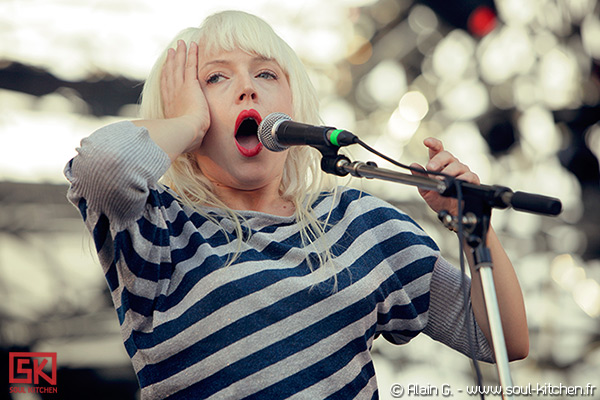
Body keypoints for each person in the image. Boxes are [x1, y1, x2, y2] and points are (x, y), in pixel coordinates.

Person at [64, 10, 528, 400]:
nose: (247, 89)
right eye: (216, 77)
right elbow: (101, 165)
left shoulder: (361, 223)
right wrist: (185, 122)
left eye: (265, 74)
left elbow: (504, 339)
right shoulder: (160, 226)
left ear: (292, 101)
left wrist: (475, 227)